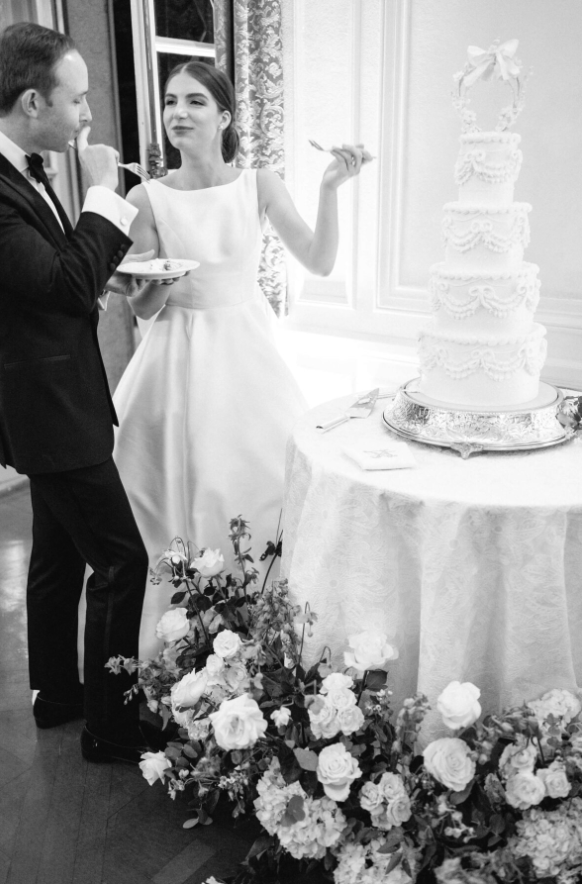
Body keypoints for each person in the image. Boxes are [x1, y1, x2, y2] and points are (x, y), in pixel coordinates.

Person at [113, 61, 371, 659]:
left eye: (196, 102)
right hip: (173, 359)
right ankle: (178, 647)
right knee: (171, 493)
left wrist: (330, 187)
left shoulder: (259, 183)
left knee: (257, 489)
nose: (179, 112)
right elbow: (145, 309)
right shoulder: (145, 196)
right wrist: (148, 283)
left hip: (246, 357)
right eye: (172, 101)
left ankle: (257, 644)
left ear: (225, 116)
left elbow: (319, 259)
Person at [0, 22, 167, 764]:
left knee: (58, 556)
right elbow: (69, 282)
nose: (88, 116)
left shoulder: (23, 170)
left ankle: (59, 693)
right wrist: (104, 191)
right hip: (49, 413)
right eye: (79, 100)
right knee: (122, 560)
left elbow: (51, 284)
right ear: (34, 100)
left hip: (50, 403)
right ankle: (111, 725)